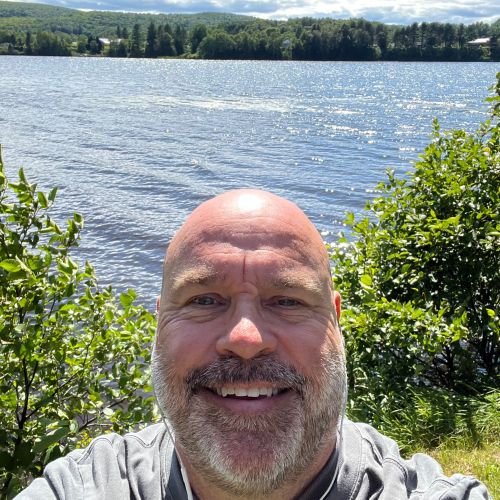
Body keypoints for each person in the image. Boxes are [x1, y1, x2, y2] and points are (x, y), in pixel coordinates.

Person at [17, 189, 490, 499]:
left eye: (287, 301)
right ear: (160, 322)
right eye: (204, 299)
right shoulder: (85, 487)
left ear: (335, 322)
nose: (245, 339)